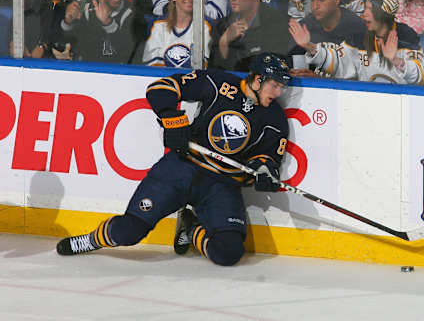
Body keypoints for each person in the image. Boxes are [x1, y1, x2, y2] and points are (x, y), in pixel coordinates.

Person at [56, 52, 292, 267]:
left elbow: (269, 158)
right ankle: (91, 240)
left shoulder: (275, 118)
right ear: (258, 79)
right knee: (128, 233)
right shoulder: (220, 83)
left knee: (228, 252)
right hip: (181, 169)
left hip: (221, 185)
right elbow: (162, 87)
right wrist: (171, 117)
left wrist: (264, 171)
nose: (279, 92)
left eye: (282, 86)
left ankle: (191, 229)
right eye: (275, 85)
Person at [290, 0, 424, 85]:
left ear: (385, 14)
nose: (365, 14)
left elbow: (421, 78)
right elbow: (339, 62)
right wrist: (309, 46)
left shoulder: (405, 35)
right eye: (365, 9)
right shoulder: (360, 35)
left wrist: (396, 60)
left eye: (371, 10)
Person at [288, 0, 367, 77]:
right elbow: (295, 71)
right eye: (312, 0)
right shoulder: (303, 29)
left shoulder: (358, 29)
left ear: (336, 0)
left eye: (321, 0)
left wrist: (318, 79)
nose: (315, 6)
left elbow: (362, 75)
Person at [209, 0, 290, 71]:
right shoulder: (222, 26)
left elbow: (267, 70)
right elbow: (214, 72)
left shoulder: (277, 24)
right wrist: (223, 42)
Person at [60, 0, 141, 63]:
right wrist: (68, 22)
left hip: (115, 71)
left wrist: (108, 23)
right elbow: (66, 41)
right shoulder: (85, 8)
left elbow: (128, 53)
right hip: (85, 67)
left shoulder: (131, 14)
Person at [142, 0, 212, 68]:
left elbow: (202, 68)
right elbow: (152, 68)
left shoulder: (206, 27)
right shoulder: (159, 26)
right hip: (163, 79)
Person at [8, 0, 74, 60]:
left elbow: (63, 38)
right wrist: (15, 43)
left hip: (56, 63)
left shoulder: (69, 7)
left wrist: (43, 47)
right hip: (24, 62)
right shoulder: (32, 5)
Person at [151, 0, 229, 20]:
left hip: (203, 33)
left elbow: (217, 12)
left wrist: (190, 8)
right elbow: (160, 6)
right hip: (169, 31)